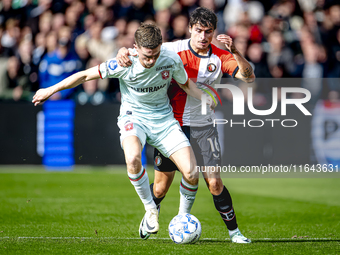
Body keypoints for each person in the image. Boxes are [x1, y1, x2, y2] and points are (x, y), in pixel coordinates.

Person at [32, 23, 215, 238]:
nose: (151, 61)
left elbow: (185, 84)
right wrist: (50, 89)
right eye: (147, 56)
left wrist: (205, 98)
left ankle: (182, 219)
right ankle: (150, 210)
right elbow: (83, 76)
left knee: (192, 173)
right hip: (134, 117)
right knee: (133, 158)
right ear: (135, 48)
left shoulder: (169, 58)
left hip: (164, 120)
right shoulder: (123, 62)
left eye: (155, 55)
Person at [116, 7, 255, 243]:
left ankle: (234, 232)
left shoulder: (220, 57)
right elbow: (136, 51)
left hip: (204, 127)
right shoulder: (172, 49)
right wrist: (121, 50)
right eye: (199, 30)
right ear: (190, 28)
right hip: (173, 126)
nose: (203, 36)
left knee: (214, 182)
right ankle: (151, 213)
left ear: (213, 32)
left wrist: (236, 51)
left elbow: (249, 76)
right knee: (160, 188)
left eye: (208, 31)